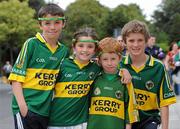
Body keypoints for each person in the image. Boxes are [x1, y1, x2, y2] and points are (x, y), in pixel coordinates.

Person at [48, 27, 132, 129]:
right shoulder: (62, 64)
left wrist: (124, 71)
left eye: (90, 46)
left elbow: (111, 65)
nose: (85, 50)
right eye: (81, 46)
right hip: (56, 122)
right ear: (74, 47)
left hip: (81, 123)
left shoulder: (95, 68)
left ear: (95, 50)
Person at [8, 3, 69, 129]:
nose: (52, 27)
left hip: (46, 111)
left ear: (63, 23)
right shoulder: (31, 44)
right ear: (40, 25)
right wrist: (23, 108)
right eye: (47, 23)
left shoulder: (63, 51)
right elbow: (15, 79)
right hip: (27, 109)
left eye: (57, 22)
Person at [120, 20, 176, 129]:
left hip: (149, 119)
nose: (136, 44)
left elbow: (164, 102)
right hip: (124, 119)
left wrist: (165, 127)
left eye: (140, 40)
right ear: (124, 42)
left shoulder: (158, 67)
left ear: (146, 41)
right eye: (131, 40)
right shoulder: (118, 64)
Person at [87, 37, 139, 129]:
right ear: (99, 60)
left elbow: (130, 108)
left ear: (119, 58)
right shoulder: (93, 77)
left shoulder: (125, 80)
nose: (109, 63)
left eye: (113, 59)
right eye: (105, 59)